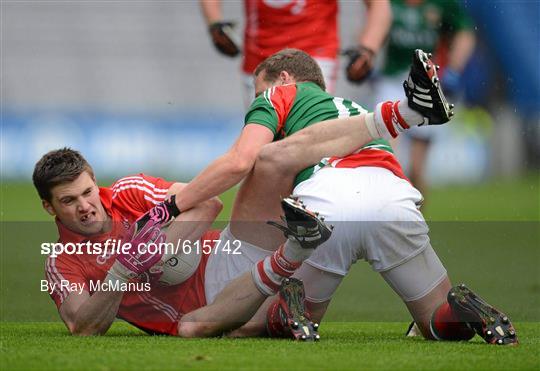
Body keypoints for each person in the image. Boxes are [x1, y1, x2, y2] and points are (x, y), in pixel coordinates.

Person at [159, 48, 517, 345]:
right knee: (436, 323)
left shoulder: (279, 95)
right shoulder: (353, 109)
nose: (256, 100)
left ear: (283, 78)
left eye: (258, 91)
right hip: (391, 196)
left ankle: (289, 313)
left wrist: (173, 205)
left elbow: (243, 160)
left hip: (328, 198)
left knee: (274, 316)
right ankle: (463, 310)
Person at [36, 147, 334, 337]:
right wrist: (122, 271)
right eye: (68, 201)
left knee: (267, 162)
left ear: (93, 180)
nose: (85, 206)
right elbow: (83, 327)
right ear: (49, 207)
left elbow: (210, 204)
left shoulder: (129, 191)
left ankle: (328, 191)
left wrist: (157, 249)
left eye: (87, 192)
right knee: (193, 328)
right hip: (202, 313)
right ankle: (283, 291)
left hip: (225, 254)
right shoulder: (61, 261)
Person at [373, 0, 476, 199]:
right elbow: (374, 24)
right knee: (391, 158)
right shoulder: (389, 3)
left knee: (417, 170)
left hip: (427, 86)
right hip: (392, 82)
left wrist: (454, 69)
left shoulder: (442, 5)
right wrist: (370, 56)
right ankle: (390, 216)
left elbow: (465, 34)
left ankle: (417, 222)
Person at [200, 0, 392, 104]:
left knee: (306, 134)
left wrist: (368, 48)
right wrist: (214, 23)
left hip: (315, 57)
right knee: (263, 145)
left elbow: (380, 5)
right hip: (260, 59)